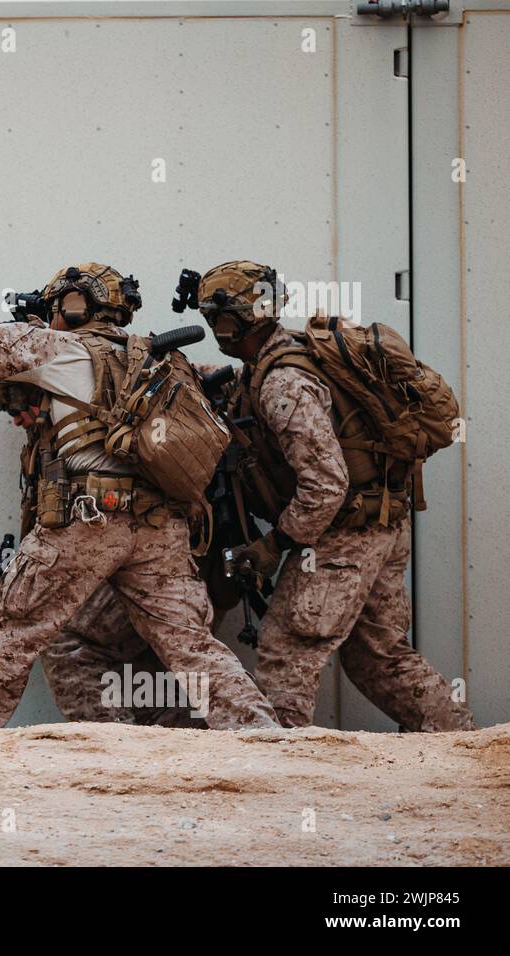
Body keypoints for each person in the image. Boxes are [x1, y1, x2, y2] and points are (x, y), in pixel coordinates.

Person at [0, 264, 279, 730]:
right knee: (192, 647)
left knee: (14, 630)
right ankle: (263, 735)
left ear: (71, 307)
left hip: (89, 520)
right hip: (161, 530)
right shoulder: (163, 359)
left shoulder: (62, 348)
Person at [195, 260, 473, 731]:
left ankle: (286, 768)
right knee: (377, 657)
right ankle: (462, 742)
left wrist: (273, 545)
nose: (214, 330)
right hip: (380, 525)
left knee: (287, 652)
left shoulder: (283, 382)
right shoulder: (284, 359)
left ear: (229, 323)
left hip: (344, 537)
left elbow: (325, 486)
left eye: (214, 319)